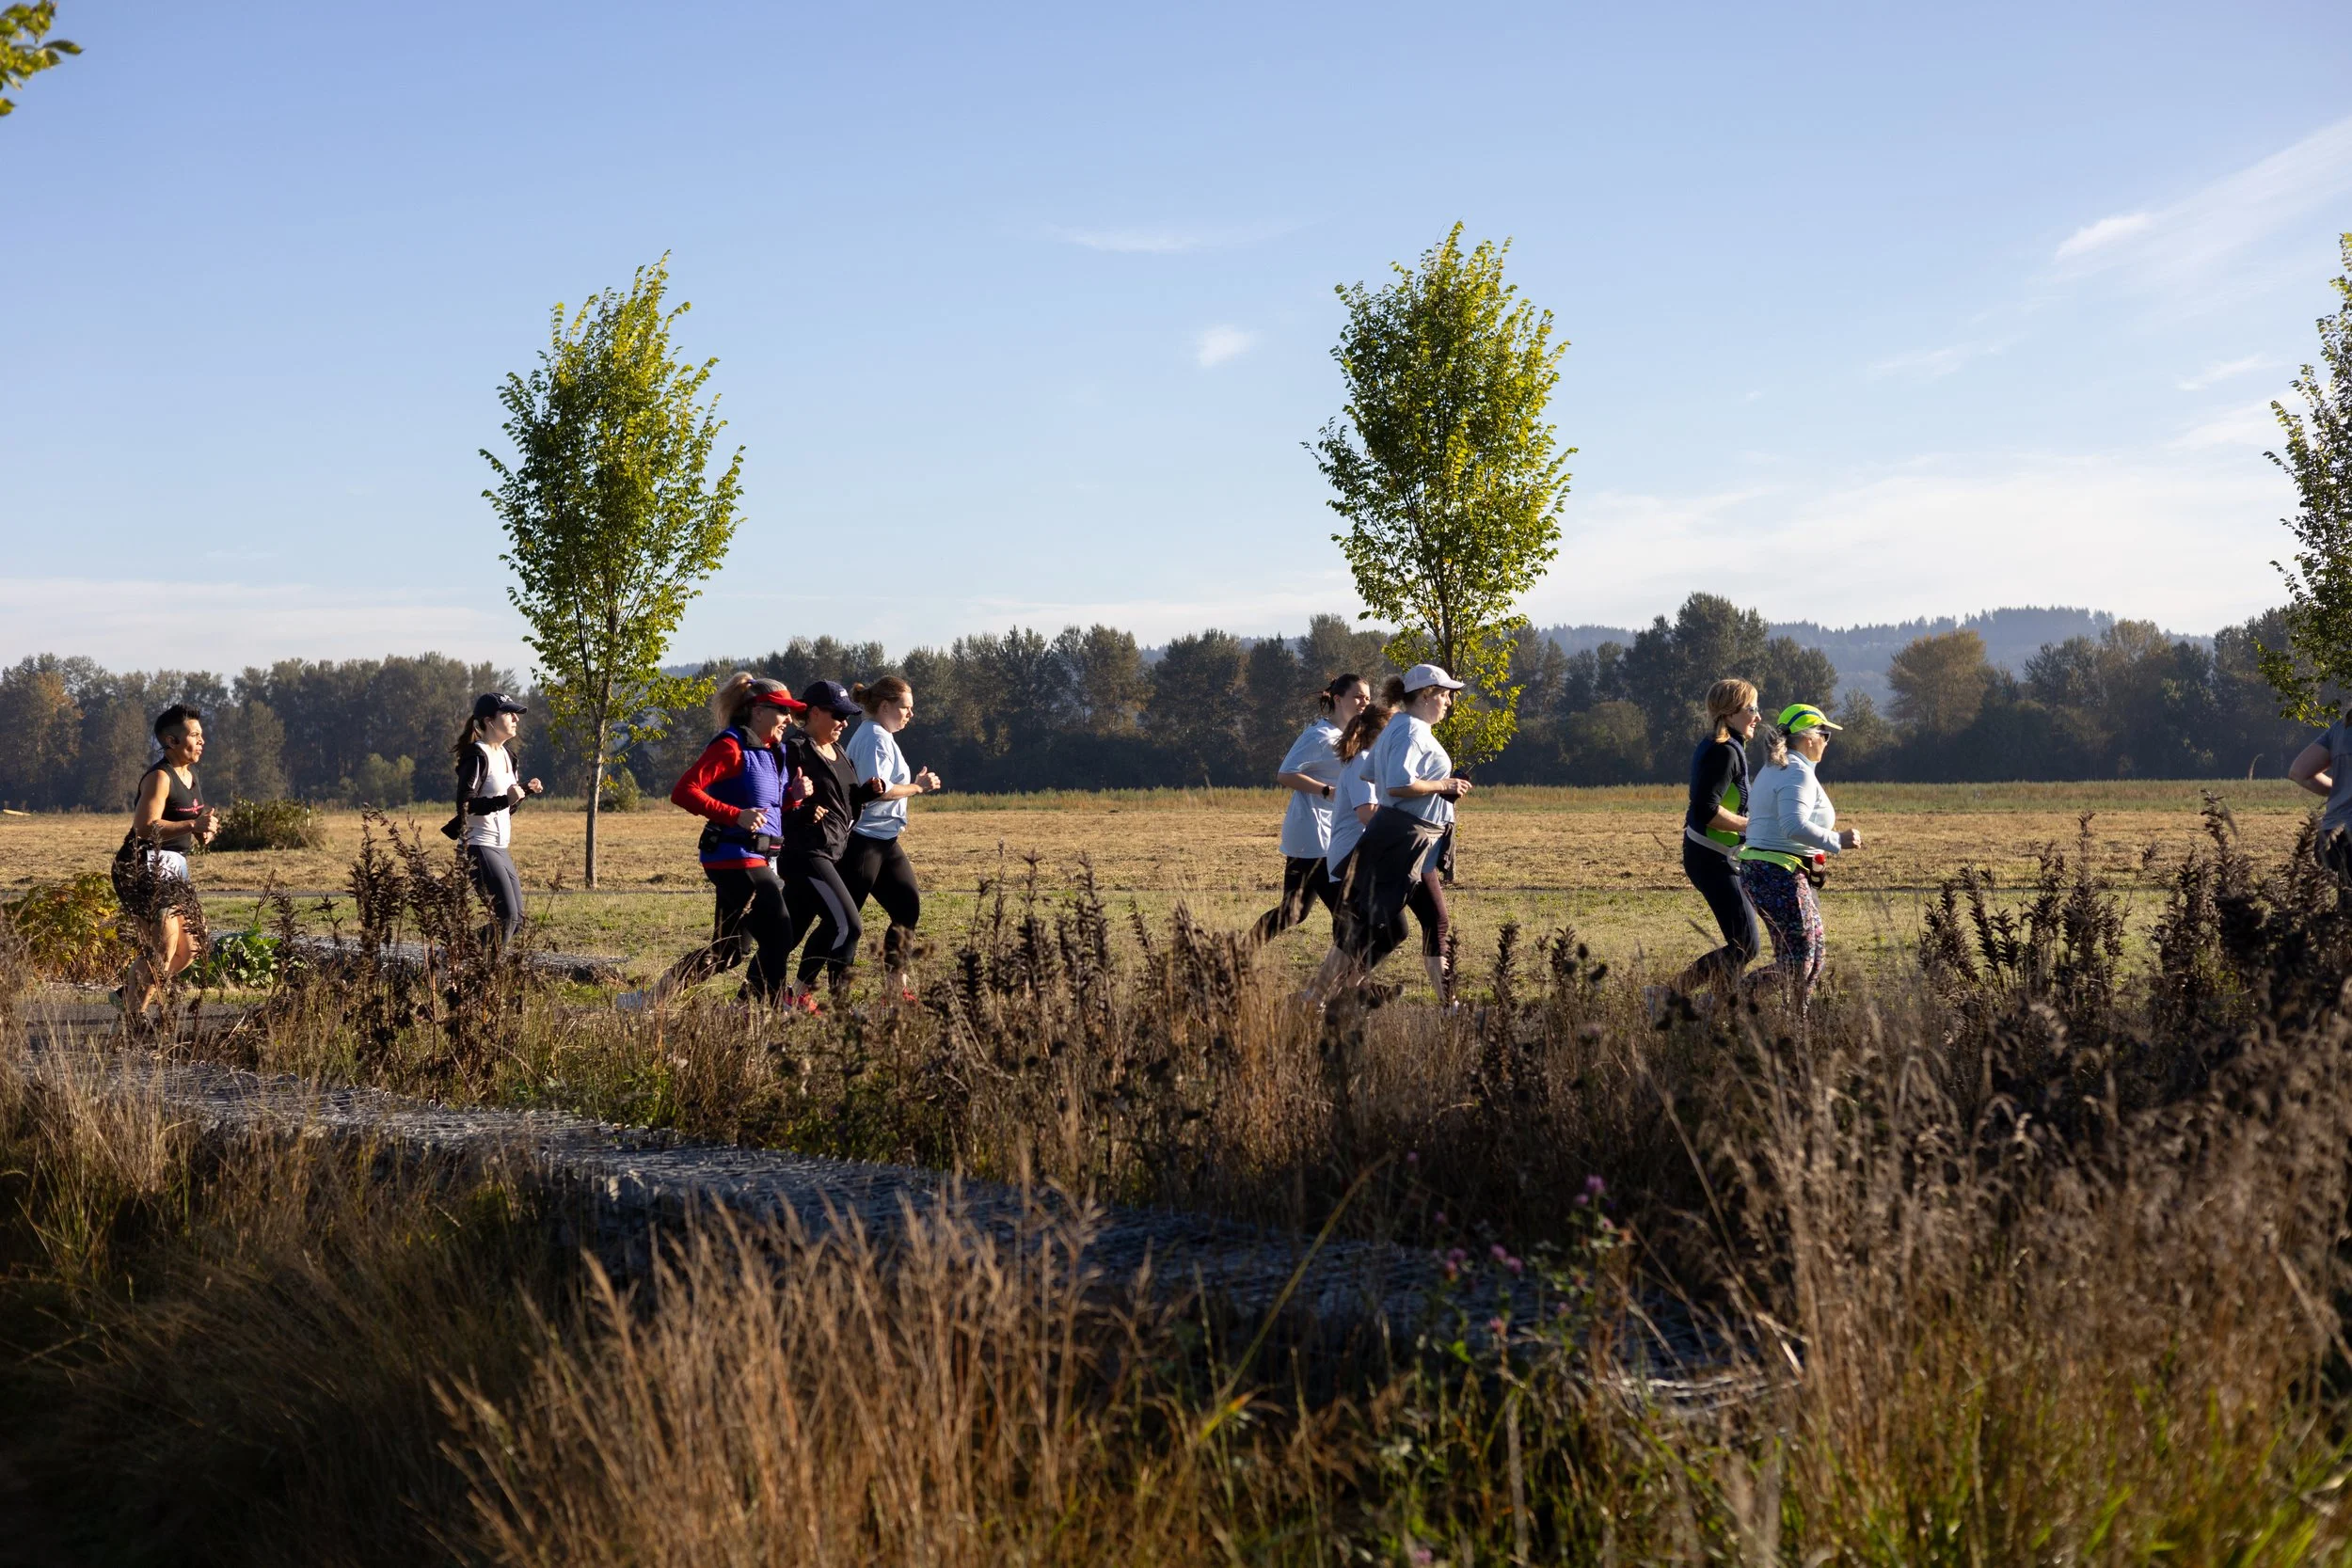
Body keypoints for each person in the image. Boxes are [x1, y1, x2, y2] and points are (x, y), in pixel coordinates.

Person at [621, 673, 805, 1010]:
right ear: (757, 711)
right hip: (734, 856)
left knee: (728, 950)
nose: (789, 719)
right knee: (780, 932)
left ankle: (649, 1000)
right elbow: (684, 791)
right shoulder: (730, 746)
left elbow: (769, 805)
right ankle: (771, 1011)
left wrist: (792, 797)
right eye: (782, 710)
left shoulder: (771, 751)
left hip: (757, 856)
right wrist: (735, 815)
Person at [1327, 665, 1473, 1001]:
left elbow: (1370, 774)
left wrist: (1433, 793)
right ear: (1426, 695)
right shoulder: (1410, 731)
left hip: (1406, 839)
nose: (1450, 702)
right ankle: (1317, 998)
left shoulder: (1401, 726)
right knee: (1420, 924)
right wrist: (1443, 784)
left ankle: (1318, 999)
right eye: (1446, 694)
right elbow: (1397, 783)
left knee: (1392, 924)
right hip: (1406, 841)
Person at [1737, 703, 1862, 1012]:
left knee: (1813, 957)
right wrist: (1837, 840)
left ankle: (1797, 1026)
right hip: (1777, 874)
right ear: (1809, 738)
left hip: (1773, 870)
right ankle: (1716, 1003)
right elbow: (1792, 825)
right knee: (1798, 962)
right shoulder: (1795, 772)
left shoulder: (1778, 768)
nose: (1827, 742)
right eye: (1826, 735)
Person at [778, 678, 889, 1008]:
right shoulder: (795, 750)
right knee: (848, 925)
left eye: (847, 716)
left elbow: (846, 800)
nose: (844, 722)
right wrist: (802, 810)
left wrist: (867, 793)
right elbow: (777, 803)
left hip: (832, 852)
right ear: (812, 713)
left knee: (784, 936)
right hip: (807, 855)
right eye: (837, 715)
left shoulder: (838, 750)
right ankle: (841, 1008)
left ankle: (749, 1000)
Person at [112, 704, 219, 1024]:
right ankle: (135, 1019)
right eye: (195, 735)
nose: (202, 741)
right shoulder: (160, 777)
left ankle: (129, 992)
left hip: (174, 867)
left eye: (202, 734)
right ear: (171, 741)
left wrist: (204, 830)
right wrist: (191, 827)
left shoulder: (191, 774)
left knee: (191, 950)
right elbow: (145, 827)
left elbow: (190, 818)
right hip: (141, 866)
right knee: (164, 945)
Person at [840, 676, 944, 1002]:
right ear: (884, 706)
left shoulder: (881, 735)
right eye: (905, 708)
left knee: (906, 907)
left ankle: (894, 988)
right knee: (843, 924)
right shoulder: (873, 736)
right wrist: (917, 788)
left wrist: (912, 784)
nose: (910, 714)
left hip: (885, 841)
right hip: (863, 842)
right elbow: (878, 791)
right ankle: (811, 990)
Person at [1251, 673, 1370, 944]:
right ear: (1338, 700)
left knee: (1293, 912)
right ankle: (1355, 985)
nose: (1364, 702)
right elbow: (1285, 773)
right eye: (1358, 696)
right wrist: (1326, 791)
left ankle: (1235, 958)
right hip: (1314, 834)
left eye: (1368, 697)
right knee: (1347, 915)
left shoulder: (1352, 737)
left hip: (1327, 835)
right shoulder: (1319, 735)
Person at [1674, 679, 1762, 994]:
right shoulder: (1724, 752)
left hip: (1715, 857)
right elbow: (1705, 811)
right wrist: (1751, 826)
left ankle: (1718, 1007)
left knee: (1741, 945)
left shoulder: (1722, 746)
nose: (1758, 716)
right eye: (1752, 708)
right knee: (1746, 945)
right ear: (1730, 712)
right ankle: (1670, 996)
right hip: (1711, 859)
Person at [451, 692, 545, 950]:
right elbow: (465, 804)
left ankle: (454, 957)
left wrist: (523, 792)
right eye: (508, 714)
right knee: (507, 918)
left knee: (519, 920)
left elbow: (505, 809)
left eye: (515, 714)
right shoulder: (476, 756)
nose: (515, 719)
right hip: (477, 847)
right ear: (489, 721)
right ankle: (475, 976)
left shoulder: (509, 756)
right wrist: (505, 799)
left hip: (499, 848)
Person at [2287, 715, 2352, 885]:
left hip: (2332, 837)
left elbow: (2299, 772)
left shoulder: (2341, 727)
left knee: (2345, 902)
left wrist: (2342, 791)